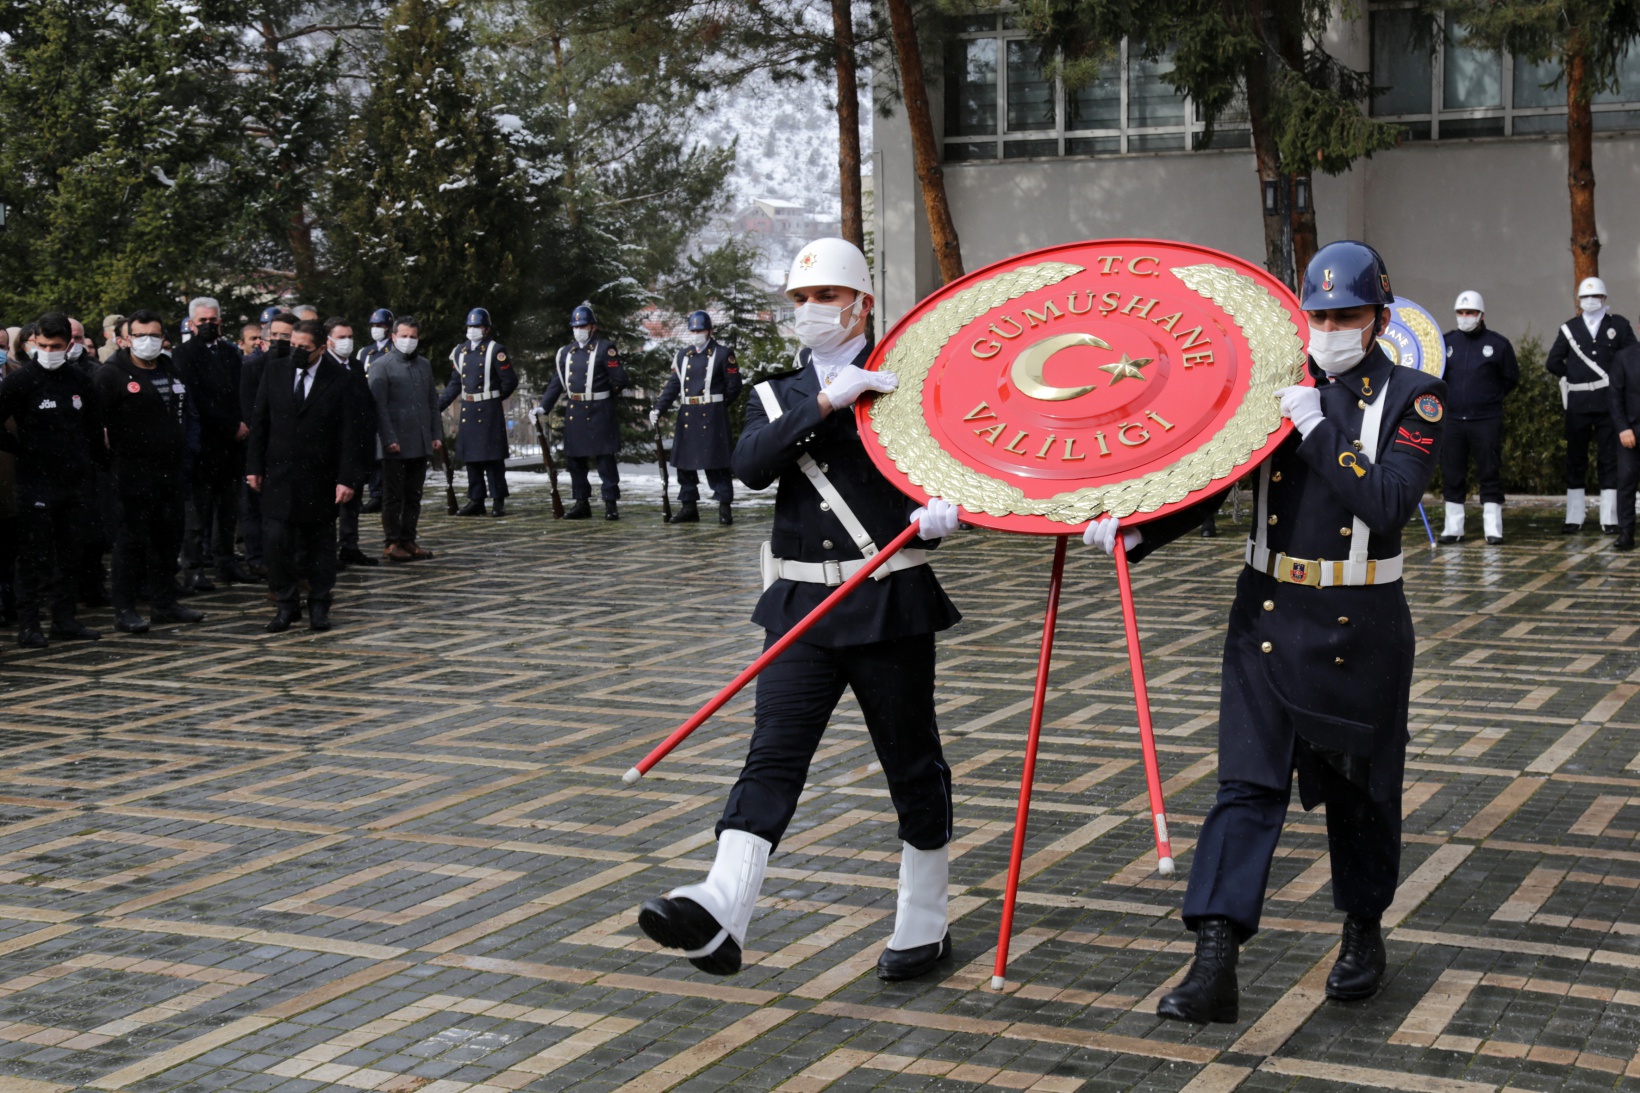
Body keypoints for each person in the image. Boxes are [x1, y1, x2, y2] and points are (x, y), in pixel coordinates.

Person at [1084, 241, 1445, 1025]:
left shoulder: (1415, 397)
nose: (1328, 329)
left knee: (1361, 795)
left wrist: (1317, 428)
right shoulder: (1278, 385)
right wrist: (1139, 531)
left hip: (1361, 625)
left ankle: (1363, 928)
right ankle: (1214, 957)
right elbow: (1214, 474)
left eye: (1345, 315)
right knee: (1244, 788)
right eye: (1317, 315)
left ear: (1379, 317)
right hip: (1268, 615)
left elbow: (1386, 502)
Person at [636, 238, 964, 982]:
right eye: (801, 299)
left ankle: (925, 919)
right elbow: (749, 465)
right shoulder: (778, 392)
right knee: (772, 755)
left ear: (862, 305)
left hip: (886, 602)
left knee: (911, 764)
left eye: (826, 297)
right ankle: (722, 909)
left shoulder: (904, 386)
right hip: (800, 608)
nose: (812, 311)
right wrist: (824, 401)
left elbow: (943, 474)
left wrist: (948, 514)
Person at [247, 319, 365, 632]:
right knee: (276, 542)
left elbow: (351, 433)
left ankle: (319, 605)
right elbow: (260, 420)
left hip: (321, 477)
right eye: (293, 345)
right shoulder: (274, 370)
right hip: (279, 473)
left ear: (322, 349)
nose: (297, 351)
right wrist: (254, 467)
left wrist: (347, 478)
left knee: (320, 546)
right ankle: (286, 604)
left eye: (305, 348)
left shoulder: (340, 378)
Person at [94, 310, 204, 633]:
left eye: (154, 335)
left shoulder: (171, 368)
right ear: (126, 339)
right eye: (141, 336)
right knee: (129, 543)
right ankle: (125, 609)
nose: (148, 341)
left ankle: (164, 604)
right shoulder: (111, 374)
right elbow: (94, 427)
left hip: (170, 471)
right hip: (129, 473)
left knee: (167, 539)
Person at [0, 313, 106, 647]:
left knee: (70, 555)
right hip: (34, 483)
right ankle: (30, 625)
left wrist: (95, 466)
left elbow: (93, 428)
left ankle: (65, 620)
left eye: (54, 346)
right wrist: (21, 449)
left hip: (73, 483)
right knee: (33, 557)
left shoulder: (79, 381)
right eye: (42, 345)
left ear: (68, 344)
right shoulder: (20, 381)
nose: (47, 351)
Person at [1546, 277, 1638, 533]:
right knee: (1576, 459)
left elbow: (1632, 358)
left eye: (1595, 296)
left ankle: (1609, 518)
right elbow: (1553, 361)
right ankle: (1574, 517)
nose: (1590, 301)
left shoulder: (1618, 326)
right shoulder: (1569, 328)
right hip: (1578, 403)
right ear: (1579, 301)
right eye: (1585, 297)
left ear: (1604, 299)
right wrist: (1570, 376)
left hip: (1609, 404)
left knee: (1610, 459)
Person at [174, 296, 252, 590]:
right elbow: (196, 398)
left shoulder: (231, 353)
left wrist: (243, 423)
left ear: (220, 321)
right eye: (202, 320)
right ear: (192, 323)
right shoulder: (184, 354)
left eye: (212, 320)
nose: (208, 325)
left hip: (232, 448)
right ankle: (194, 567)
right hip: (205, 445)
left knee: (228, 511)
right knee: (197, 516)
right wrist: (231, 425)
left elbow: (239, 392)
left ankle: (226, 563)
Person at [532, 303, 628, 520]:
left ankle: (610, 504)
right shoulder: (566, 352)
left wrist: (604, 395)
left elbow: (620, 379)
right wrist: (544, 406)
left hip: (599, 408)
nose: (579, 330)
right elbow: (557, 382)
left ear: (593, 327)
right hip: (575, 408)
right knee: (575, 460)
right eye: (575, 326)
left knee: (605, 459)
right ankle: (581, 502)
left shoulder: (605, 348)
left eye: (583, 326)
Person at [1439, 291, 1518, 545]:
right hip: (1452, 420)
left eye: (1470, 313)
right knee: (1452, 473)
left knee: (1490, 471)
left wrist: (1489, 399)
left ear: (1481, 315)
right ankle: (1453, 528)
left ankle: (1493, 529)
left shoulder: (1498, 344)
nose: (1465, 317)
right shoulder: (1446, 342)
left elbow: (1510, 379)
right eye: (1461, 313)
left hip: (1486, 420)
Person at [652, 310, 743, 525]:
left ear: (710, 331)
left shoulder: (723, 353)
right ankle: (688, 506)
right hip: (688, 414)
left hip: (712, 414)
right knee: (685, 465)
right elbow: (673, 386)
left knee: (716, 464)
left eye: (700, 330)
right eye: (692, 330)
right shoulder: (683, 355)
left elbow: (734, 386)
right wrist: (658, 409)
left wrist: (719, 405)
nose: (696, 334)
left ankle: (724, 507)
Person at [368, 317, 442, 562]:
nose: (408, 341)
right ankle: (391, 542)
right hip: (395, 442)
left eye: (413, 336)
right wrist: (388, 437)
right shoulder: (382, 365)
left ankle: (408, 539)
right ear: (393, 337)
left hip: (419, 440)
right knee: (393, 496)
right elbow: (379, 407)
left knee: (414, 495)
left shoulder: (423, 365)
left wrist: (435, 434)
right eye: (404, 336)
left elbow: (432, 402)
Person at [440, 307, 517, 517]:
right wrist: (437, 406)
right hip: (469, 408)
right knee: (471, 458)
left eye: (478, 326)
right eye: (471, 326)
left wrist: (493, 398)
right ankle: (476, 499)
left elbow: (510, 380)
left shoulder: (495, 350)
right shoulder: (460, 351)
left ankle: (498, 500)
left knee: (493, 458)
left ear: (486, 329)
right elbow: (455, 384)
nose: (473, 330)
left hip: (489, 408)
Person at [326, 319, 378, 569]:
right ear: (328, 340)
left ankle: (350, 546)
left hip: (357, 443)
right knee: (329, 502)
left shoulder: (356, 366)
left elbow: (366, 404)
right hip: (331, 444)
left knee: (353, 500)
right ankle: (326, 551)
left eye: (349, 336)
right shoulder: (323, 365)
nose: (347, 341)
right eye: (341, 337)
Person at [356, 307, 396, 514]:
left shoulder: (394, 350)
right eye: (373, 326)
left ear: (389, 328)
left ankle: (382, 493)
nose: (376, 329)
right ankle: (374, 492)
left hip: (387, 409)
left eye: (379, 326)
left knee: (384, 454)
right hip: (368, 408)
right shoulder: (365, 352)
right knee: (372, 453)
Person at [1609, 329, 1640, 551]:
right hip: (1631, 433)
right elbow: (1615, 396)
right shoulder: (1624, 356)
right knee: (1627, 483)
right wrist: (1622, 428)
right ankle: (1626, 533)